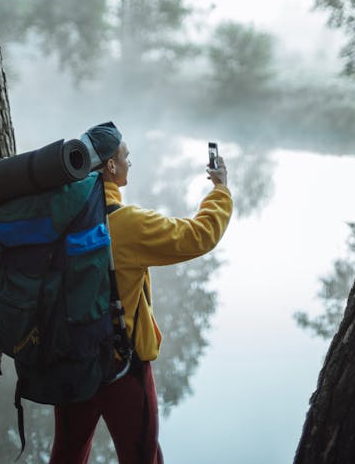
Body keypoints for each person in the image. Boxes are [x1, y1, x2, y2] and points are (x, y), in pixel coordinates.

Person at [49, 121, 232, 464]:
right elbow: (198, 236)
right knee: (142, 456)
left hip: (70, 359)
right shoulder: (127, 224)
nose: (129, 163)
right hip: (122, 369)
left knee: (67, 454)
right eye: (125, 157)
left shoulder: (59, 216)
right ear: (111, 167)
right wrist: (220, 191)